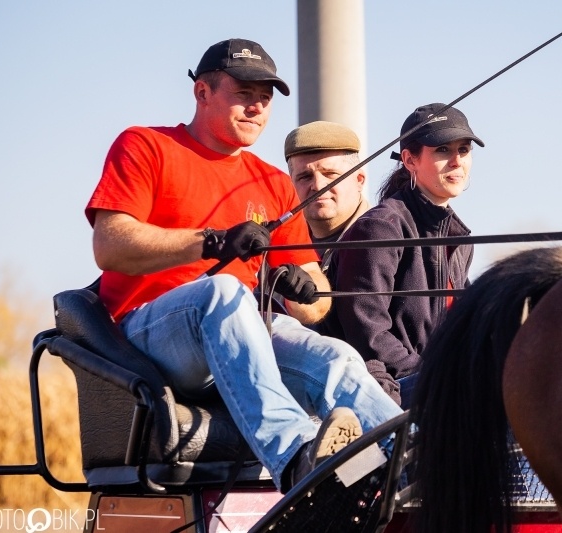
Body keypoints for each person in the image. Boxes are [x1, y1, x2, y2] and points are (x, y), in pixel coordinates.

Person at [84, 38, 403, 493]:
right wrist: (212, 243)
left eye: (265, 99)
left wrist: (298, 285)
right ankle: (298, 458)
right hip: (146, 338)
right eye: (244, 95)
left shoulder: (273, 182)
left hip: (239, 331)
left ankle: (414, 471)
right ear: (202, 93)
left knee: (336, 357)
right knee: (224, 292)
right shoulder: (146, 145)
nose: (257, 108)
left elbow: (315, 307)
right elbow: (109, 246)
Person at [325, 103, 480, 408]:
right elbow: (368, 333)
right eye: (442, 150)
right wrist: (436, 372)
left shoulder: (460, 239)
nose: (456, 161)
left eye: (464, 150)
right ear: (409, 160)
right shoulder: (381, 227)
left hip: (438, 380)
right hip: (390, 387)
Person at [284, 121, 370, 274]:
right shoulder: (280, 245)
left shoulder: (382, 237)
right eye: (305, 177)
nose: (317, 185)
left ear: (359, 180)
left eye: (330, 174)